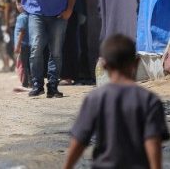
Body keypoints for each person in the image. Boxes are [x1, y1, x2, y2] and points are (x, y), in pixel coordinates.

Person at [64, 34, 169, 169]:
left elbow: (79, 141)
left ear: (104, 65)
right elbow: (152, 142)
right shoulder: (149, 100)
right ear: (136, 62)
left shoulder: (95, 99)